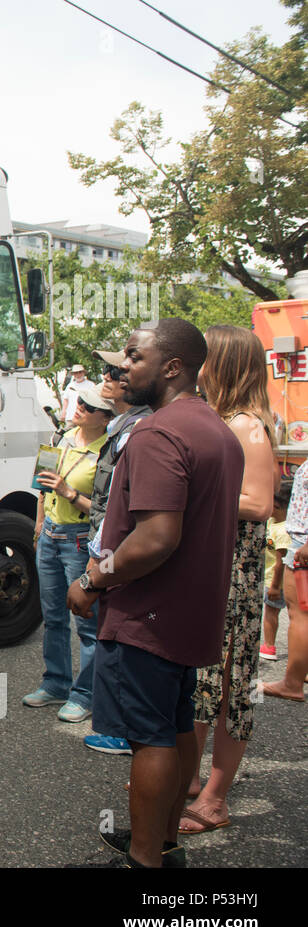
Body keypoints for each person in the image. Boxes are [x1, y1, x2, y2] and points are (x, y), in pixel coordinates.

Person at [67, 318, 243, 868]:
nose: (123, 366)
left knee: (151, 739)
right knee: (174, 724)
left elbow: (156, 537)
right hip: (191, 613)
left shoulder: (159, 432)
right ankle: (163, 842)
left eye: (133, 357)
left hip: (149, 615)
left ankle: (144, 862)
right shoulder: (215, 428)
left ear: (172, 367)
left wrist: (93, 580)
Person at [176, 325, 276, 834]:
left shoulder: (246, 424)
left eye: (204, 358)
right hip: (214, 570)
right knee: (202, 683)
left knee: (230, 686)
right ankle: (190, 779)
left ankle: (215, 799)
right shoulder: (224, 419)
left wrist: (192, 492)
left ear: (224, 364)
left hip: (234, 578)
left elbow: (258, 503)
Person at [23, 383, 113, 722]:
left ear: (105, 417)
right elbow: (39, 485)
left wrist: (69, 493)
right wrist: (39, 522)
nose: (79, 408)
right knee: (53, 617)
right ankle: (56, 683)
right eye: (79, 402)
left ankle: (84, 694)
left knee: (86, 621)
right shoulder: (60, 438)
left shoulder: (109, 451)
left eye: (89, 407)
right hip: (49, 535)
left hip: (79, 539)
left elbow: (108, 511)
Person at [80, 349, 152, 756]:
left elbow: (117, 506)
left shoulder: (138, 430)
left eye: (116, 371)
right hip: (111, 552)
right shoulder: (125, 426)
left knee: (118, 639)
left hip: (117, 556)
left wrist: (97, 563)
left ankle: (125, 729)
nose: (106, 377)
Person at [263, 464, 308, 701]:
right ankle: (301, 672)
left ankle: (292, 683)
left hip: (302, 544)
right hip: (301, 542)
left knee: (299, 616)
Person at [259, 478, 293, 662]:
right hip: (271, 577)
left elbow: (281, 562)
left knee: (271, 613)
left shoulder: (283, 530)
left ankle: (269, 646)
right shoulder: (272, 522)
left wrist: (274, 586)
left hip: (276, 580)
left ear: (278, 506)